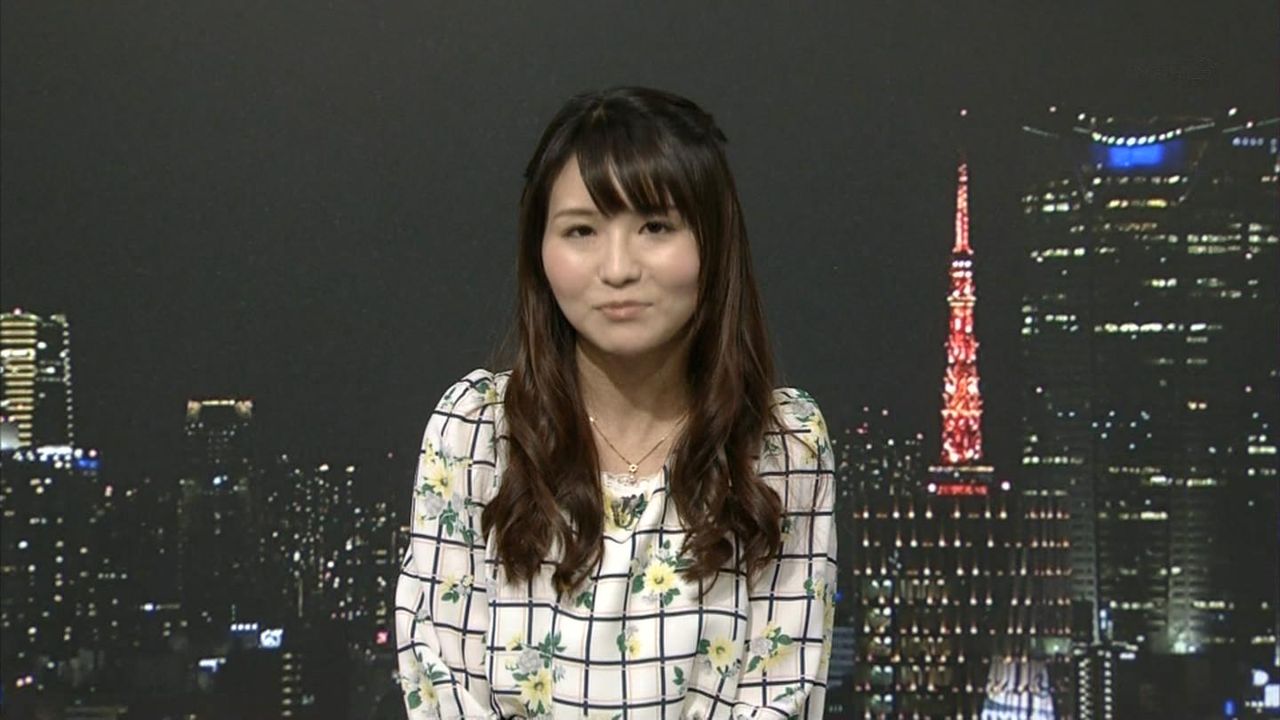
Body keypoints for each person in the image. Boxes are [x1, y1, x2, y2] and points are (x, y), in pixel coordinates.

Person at [395, 86, 836, 720]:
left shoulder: (783, 444)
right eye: (581, 230)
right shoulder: (476, 430)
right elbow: (439, 679)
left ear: (714, 242)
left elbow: (780, 690)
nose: (618, 268)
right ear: (539, 252)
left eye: (655, 226)